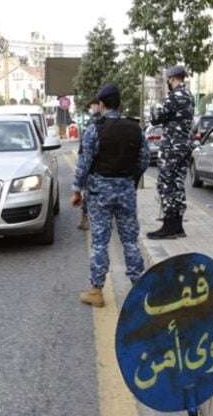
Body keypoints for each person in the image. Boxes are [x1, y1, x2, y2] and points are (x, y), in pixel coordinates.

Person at [71, 84, 150, 308]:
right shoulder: (135, 128)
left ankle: (96, 291)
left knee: (99, 243)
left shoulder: (94, 129)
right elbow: (144, 160)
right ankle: (139, 288)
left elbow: (84, 163)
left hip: (99, 194)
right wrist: (130, 180)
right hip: (126, 191)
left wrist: (77, 190)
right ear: (120, 103)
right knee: (130, 241)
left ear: (102, 104)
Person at [147, 65, 195, 240]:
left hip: (171, 147)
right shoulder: (189, 95)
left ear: (172, 78)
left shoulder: (174, 97)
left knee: (166, 185)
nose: (168, 82)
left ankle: (168, 227)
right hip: (184, 147)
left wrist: (154, 108)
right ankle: (178, 226)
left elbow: (155, 119)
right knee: (178, 185)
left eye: (168, 79)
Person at [77, 98, 102, 231]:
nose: (91, 108)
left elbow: (87, 144)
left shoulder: (95, 120)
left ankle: (86, 219)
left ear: (98, 105)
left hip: (93, 164)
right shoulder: (98, 119)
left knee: (90, 192)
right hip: (99, 163)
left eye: (92, 106)